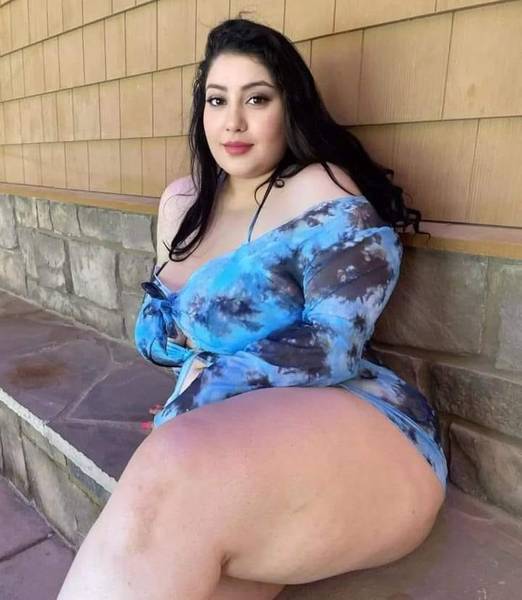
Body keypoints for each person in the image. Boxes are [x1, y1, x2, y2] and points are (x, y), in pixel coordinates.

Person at [58, 18, 448, 600]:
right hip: (230, 437)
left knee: (171, 467)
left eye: (257, 99)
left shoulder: (319, 187)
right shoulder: (183, 205)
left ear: (289, 108)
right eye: (217, 100)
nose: (233, 122)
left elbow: (333, 345)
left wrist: (199, 390)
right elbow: (167, 331)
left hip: (350, 416)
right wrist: (191, 373)